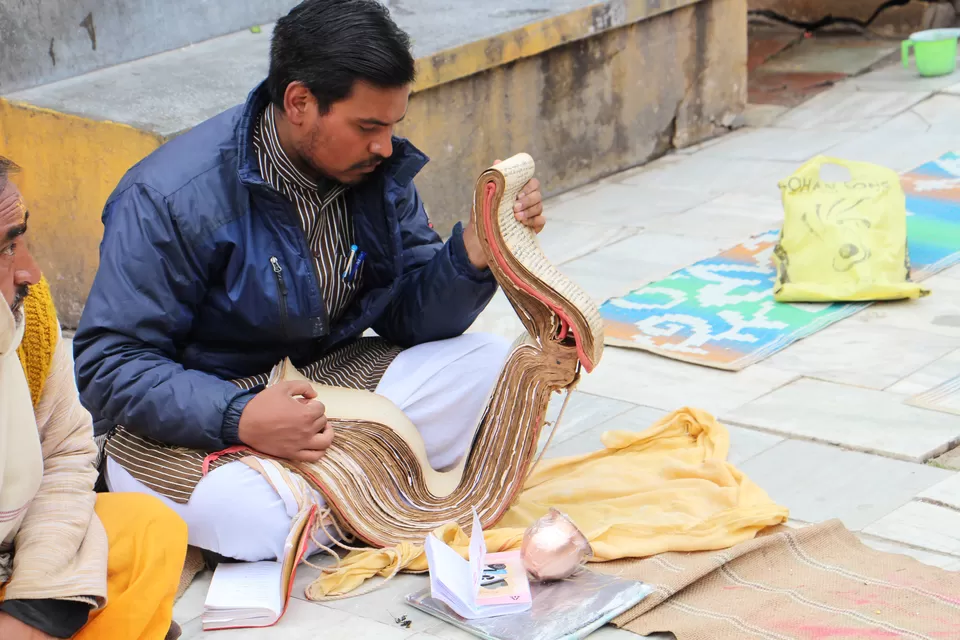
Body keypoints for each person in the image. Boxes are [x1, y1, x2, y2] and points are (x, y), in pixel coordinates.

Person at [73, 0, 547, 563]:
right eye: (368, 126)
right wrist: (240, 415)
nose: (384, 146)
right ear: (299, 102)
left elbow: (410, 319)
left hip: (324, 388)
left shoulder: (374, 170)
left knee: (495, 366)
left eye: (393, 126)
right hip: (198, 417)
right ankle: (363, 483)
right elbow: (110, 363)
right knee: (253, 518)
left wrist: (472, 254)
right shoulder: (167, 196)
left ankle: (336, 489)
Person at [0, 156, 188, 640]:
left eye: (21, 238)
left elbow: (65, 453)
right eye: (4, 250)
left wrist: (35, 605)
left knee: (149, 529)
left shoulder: (31, 318)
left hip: (16, 558)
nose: (30, 271)